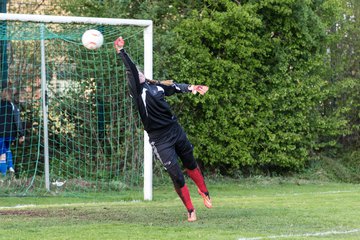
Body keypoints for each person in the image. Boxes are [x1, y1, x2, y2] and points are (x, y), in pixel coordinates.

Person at [114, 37, 212, 222]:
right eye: (136, 73)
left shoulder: (156, 86)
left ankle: (204, 190)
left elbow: (174, 87)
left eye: (139, 72)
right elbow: (131, 69)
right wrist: (121, 51)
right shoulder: (137, 92)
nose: (138, 73)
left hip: (175, 130)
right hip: (160, 139)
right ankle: (190, 210)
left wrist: (192, 87)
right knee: (176, 175)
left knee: (190, 163)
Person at [0, 88, 25, 177]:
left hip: (1, 134)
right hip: (10, 134)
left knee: (2, 154)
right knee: (7, 149)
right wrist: (21, 134)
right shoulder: (13, 106)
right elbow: (17, 121)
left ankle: (3, 176)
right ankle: (11, 167)